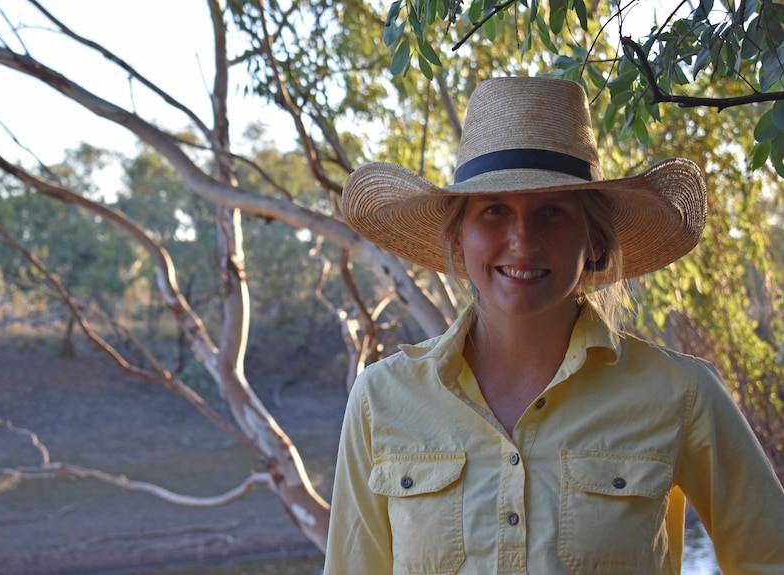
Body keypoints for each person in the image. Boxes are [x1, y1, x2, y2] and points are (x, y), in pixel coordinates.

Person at [323, 76, 784, 574]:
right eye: (494, 211)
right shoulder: (383, 399)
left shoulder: (682, 393)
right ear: (458, 241)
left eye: (553, 212)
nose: (522, 240)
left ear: (596, 243)